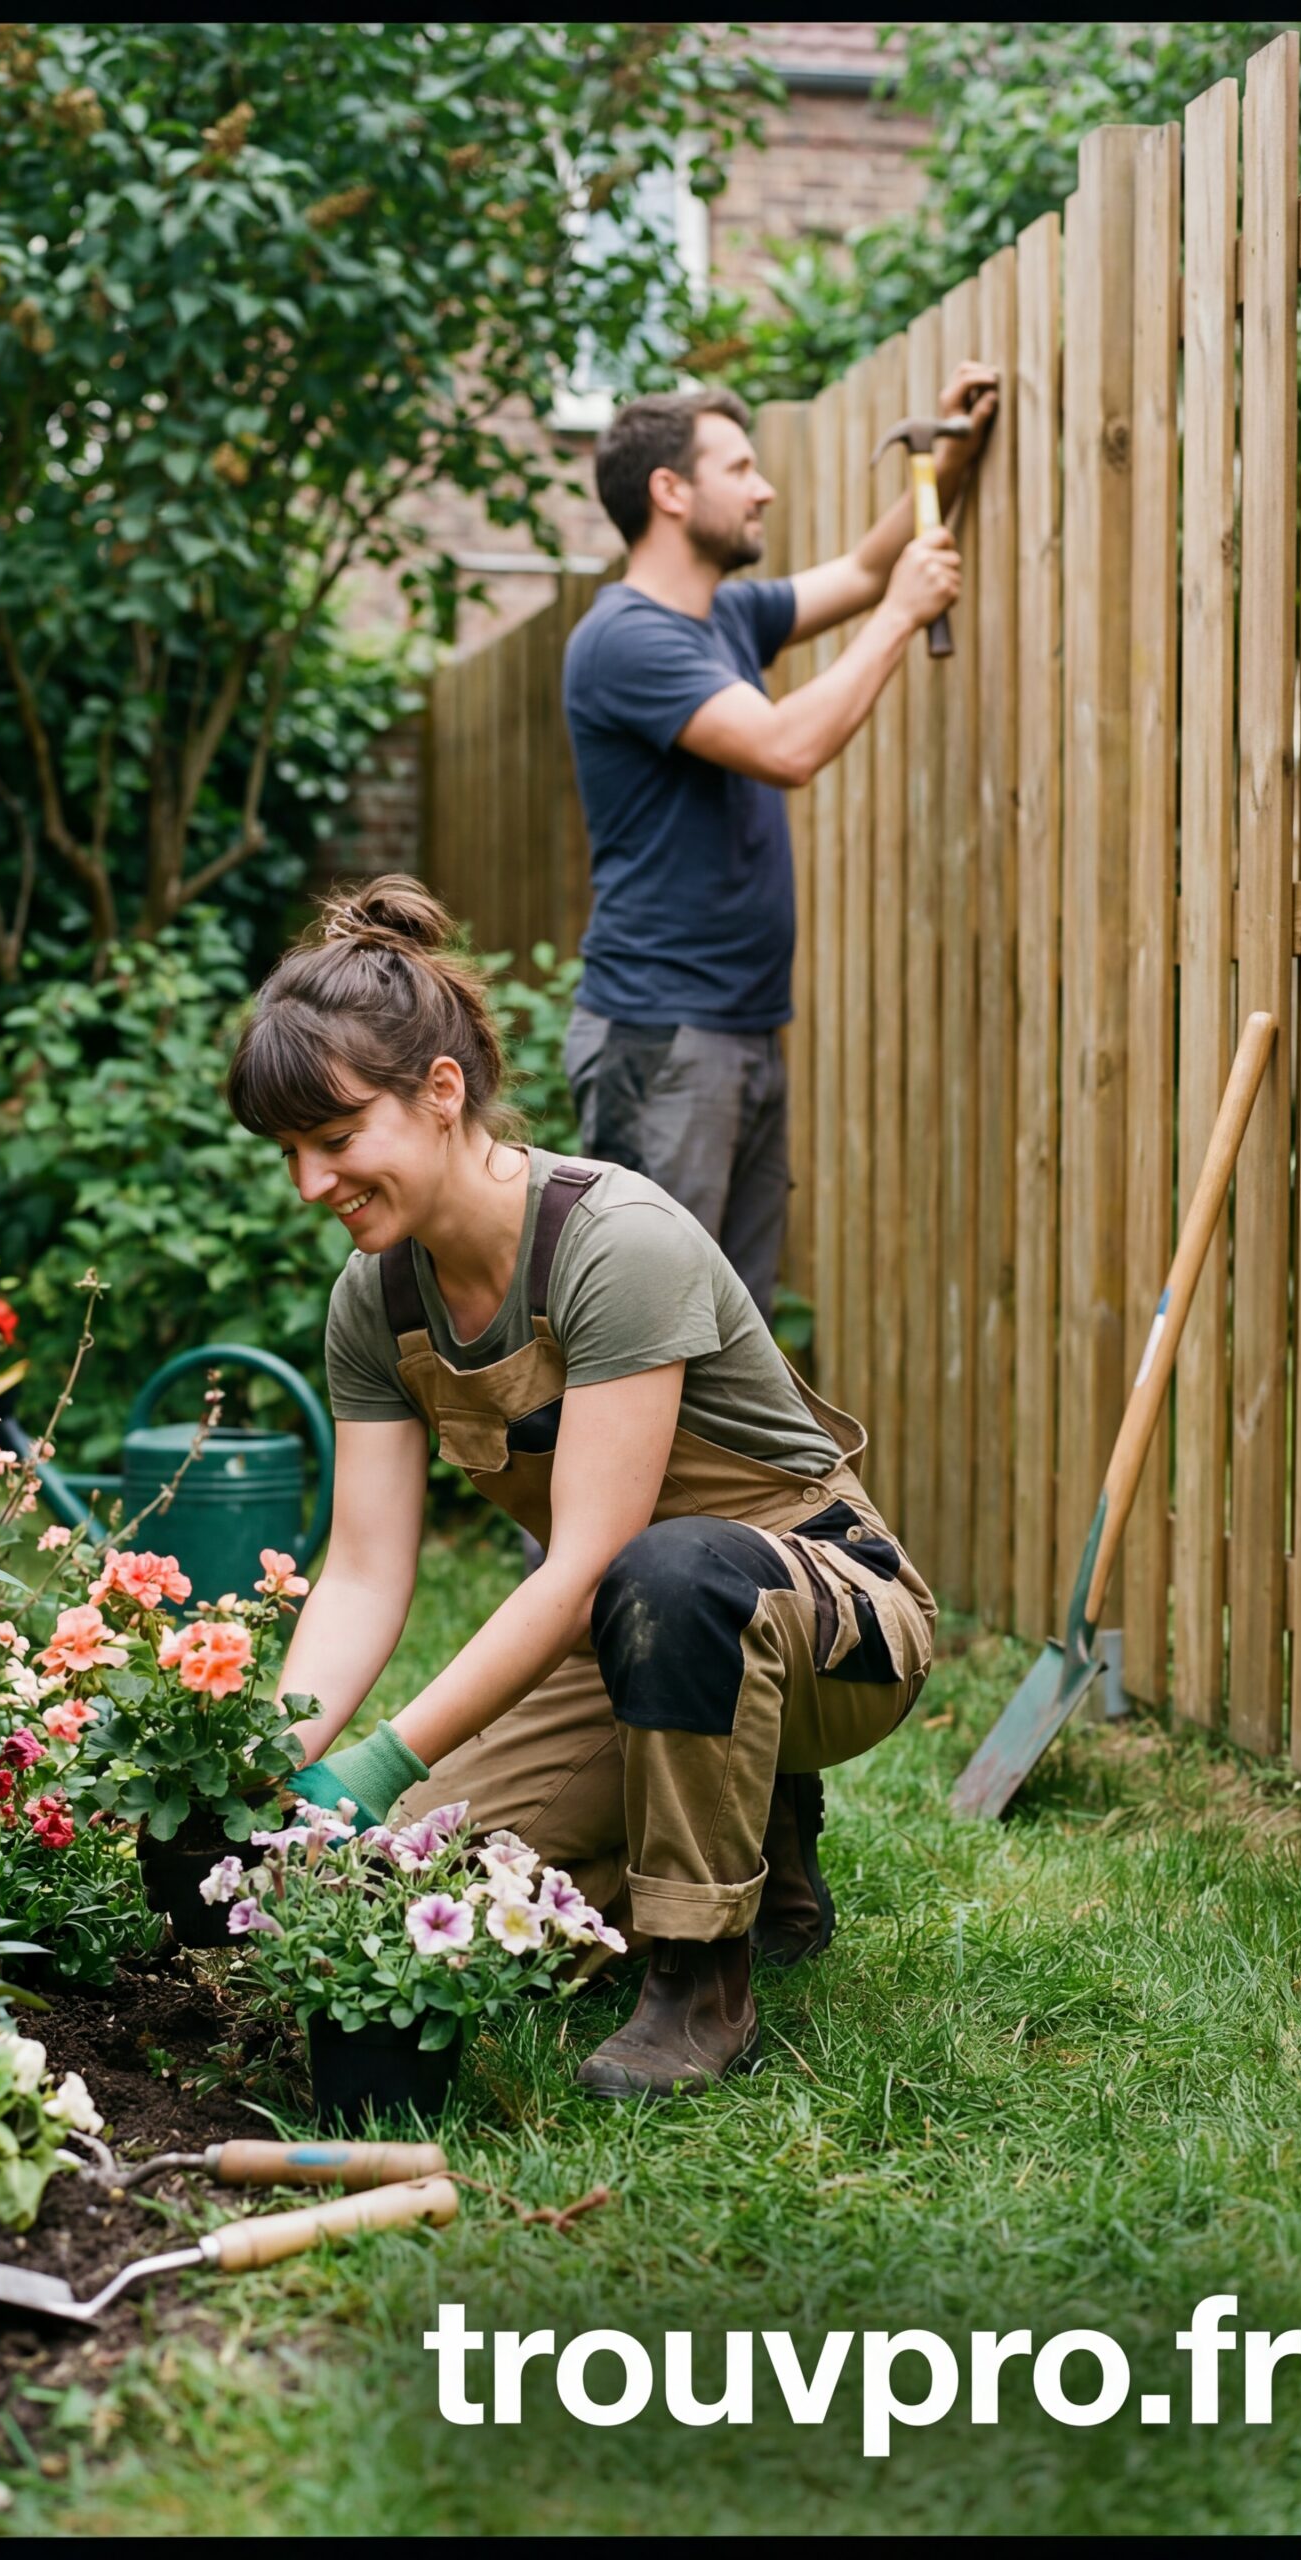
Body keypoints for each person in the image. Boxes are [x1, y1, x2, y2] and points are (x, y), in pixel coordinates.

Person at [225, 876, 935, 2102]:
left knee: (670, 1572)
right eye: (290, 1152)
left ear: (440, 1094)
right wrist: (271, 1762)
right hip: (629, 1633)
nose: (308, 1184)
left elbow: (583, 1561)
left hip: (826, 1613)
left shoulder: (618, 1243)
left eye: (336, 1140)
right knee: (402, 1892)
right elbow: (363, 1569)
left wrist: (379, 1766)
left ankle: (700, 1976)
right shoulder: (376, 1300)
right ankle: (745, 1819)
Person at [562, 367, 998, 1327]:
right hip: (664, 1038)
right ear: (670, 492)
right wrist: (898, 620)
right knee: (645, 1336)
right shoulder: (625, 640)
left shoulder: (721, 619)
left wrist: (951, 451)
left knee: (724, 1334)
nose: (762, 489)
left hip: (738, 1031)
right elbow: (785, 748)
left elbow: (864, 570)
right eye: (740, 467)